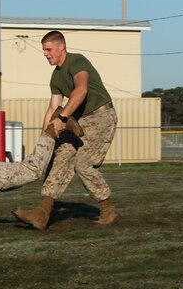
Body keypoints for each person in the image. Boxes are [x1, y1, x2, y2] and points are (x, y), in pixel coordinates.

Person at [12, 30, 119, 230]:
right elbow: (53, 107)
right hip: (78, 120)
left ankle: (107, 208)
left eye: (48, 49)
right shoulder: (55, 77)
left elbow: (81, 90)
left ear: (62, 47)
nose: (45, 53)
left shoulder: (78, 62)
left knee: (82, 164)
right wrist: (46, 138)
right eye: (44, 50)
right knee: (59, 158)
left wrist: (62, 118)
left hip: (101, 116)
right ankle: (42, 214)